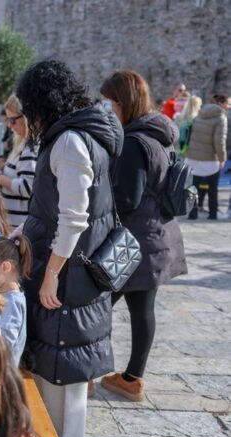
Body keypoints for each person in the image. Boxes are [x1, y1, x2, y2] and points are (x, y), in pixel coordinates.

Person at [16, 59, 122, 437]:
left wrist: (50, 276)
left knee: (63, 371)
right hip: (73, 267)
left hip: (67, 270)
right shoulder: (85, 134)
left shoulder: (70, 141)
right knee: (61, 368)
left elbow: (74, 218)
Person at [98, 70, 188, 401]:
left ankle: (99, 370)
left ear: (123, 102)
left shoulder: (135, 142)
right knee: (139, 306)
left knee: (97, 300)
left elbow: (128, 199)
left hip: (134, 242)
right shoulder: (157, 135)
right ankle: (132, 378)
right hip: (155, 235)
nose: (106, 108)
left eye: (109, 102)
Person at [0, 94, 38, 228]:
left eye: (12, 120)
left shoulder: (30, 148)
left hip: (22, 226)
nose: (9, 125)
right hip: (17, 225)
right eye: (8, 121)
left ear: (26, 118)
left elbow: (28, 188)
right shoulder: (24, 145)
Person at [185, 94, 228, 220]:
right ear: (221, 105)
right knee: (212, 188)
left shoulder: (199, 114)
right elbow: (219, 141)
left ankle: (192, 213)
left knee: (194, 187)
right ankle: (212, 214)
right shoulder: (221, 118)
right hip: (210, 159)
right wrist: (222, 158)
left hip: (193, 157)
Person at [0, 235, 32, 365]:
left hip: (1, 374)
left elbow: (4, 346)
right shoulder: (6, 292)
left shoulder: (12, 303)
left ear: (5, 267)